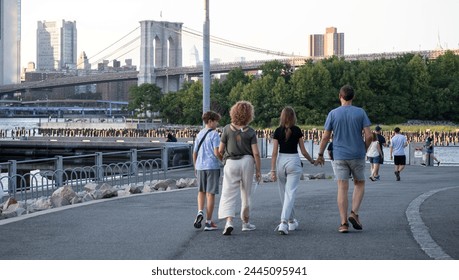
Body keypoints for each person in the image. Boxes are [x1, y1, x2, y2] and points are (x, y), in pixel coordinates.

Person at [316, 85, 372, 233]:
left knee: (342, 187)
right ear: (353, 97)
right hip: (357, 154)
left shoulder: (333, 114)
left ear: (339, 96)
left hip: (339, 155)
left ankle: (343, 223)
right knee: (359, 184)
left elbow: (326, 136)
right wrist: (364, 148)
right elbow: (369, 135)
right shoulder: (360, 113)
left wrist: (320, 154)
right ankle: (354, 213)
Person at [217, 101, 261, 236]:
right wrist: (258, 170)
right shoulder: (251, 132)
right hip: (247, 161)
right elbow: (256, 153)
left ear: (233, 113)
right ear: (249, 115)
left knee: (228, 193)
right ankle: (245, 223)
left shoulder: (226, 129)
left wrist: (223, 160)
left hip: (231, 162)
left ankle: (229, 222)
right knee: (246, 193)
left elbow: (220, 150)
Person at [270, 106, 315, 235]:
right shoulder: (297, 130)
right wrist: (312, 161)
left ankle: (291, 221)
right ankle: (283, 222)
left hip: (281, 161)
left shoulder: (277, 131)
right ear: (293, 117)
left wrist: (272, 170)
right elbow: (304, 151)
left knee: (284, 193)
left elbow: (273, 153)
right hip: (294, 161)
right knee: (290, 193)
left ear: (282, 117)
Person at [192, 111, 222, 231]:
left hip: (200, 166)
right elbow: (216, 152)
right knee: (210, 194)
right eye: (216, 121)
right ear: (210, 121)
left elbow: (194, 152)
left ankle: (200, 211)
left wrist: (195, 166)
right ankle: (208, 222)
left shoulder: (199, 134)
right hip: (212, 167)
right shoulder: (214, 134)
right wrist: (223, 160)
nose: (217, 124)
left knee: (201, 192)